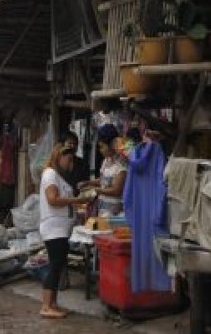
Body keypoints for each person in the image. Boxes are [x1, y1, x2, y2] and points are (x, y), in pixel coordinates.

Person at [38, 143, 93, 319]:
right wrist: (75, 200)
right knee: (55, 265)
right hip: (53, 228)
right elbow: (52, 199)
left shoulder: (59, 177)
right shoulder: (50, 174)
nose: (70, 164)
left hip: (61, 228)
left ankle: (52, 303)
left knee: (59, 264)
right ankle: (46, 305)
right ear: (58, 158)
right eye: (68, 159)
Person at [77, 123, 128, 215]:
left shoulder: (122, 163)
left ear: (112, 145)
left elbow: (116, 190)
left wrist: (95, 190)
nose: (100, 150)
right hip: (102, 206)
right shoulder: (106, 161)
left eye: (102, 146)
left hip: (115, 209)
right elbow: (103, 180)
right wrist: (88, 182)